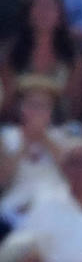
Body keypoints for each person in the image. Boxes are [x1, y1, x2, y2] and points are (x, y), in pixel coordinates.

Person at [1, 0, 82, 123]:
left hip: (60, 128)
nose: (44, 13)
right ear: (28, 14)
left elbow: (75, 104)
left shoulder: (73, 56)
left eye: (49, 7)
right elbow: (7, 101)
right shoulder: (11, 53)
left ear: (59, 15)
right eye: (38, 7)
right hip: (18, 128)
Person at [0, 77, 68, 225]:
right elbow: (3, 181)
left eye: (43, 106)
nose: (37, 111)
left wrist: (44, 139)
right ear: (21, 108)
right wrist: (24, 143)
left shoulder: (62, 136)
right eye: (32, 105)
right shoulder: (7, 137)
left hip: (54, 200)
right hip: (16, 202)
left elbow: (70, 173)